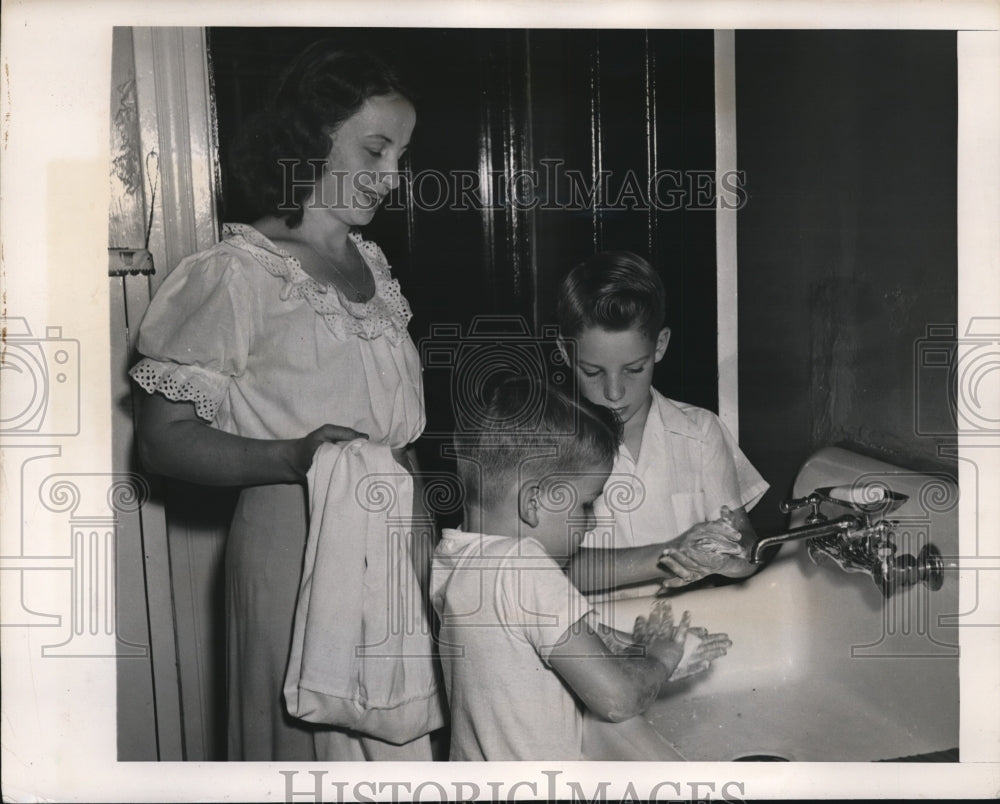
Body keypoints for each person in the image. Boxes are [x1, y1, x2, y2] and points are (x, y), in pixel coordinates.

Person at [129, 43, 444, 760]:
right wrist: (293, 456)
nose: (392, 176)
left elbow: (401, 442)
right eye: (374, 151)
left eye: (401, 153)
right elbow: (162, 440)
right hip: (295, 548)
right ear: (309, 143)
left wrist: (425, 555)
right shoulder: (237, 274)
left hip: (395, 543)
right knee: (313, 758)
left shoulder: (372, 267)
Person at [430, 377, 732, 760]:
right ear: (534, 502)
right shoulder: (527, 567)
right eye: (586, 505)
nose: (591, 523)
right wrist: (662, 659)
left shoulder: (454, 556)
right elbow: (617, 700)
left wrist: (635, 646)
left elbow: (540, 642)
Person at [556, 251, 770, 596]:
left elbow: (746, 546)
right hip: (594, 640)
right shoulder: (550, 445)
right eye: (593, 372)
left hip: (689, 631)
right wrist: (669, 554)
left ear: (660, 345)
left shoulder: (701, 432)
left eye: (634, 369)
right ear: (566, 354)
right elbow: (549, 572)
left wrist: (730, 558)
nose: (614, 392)